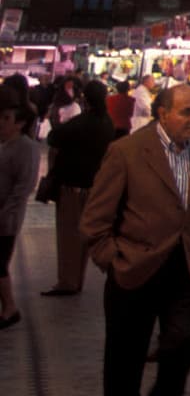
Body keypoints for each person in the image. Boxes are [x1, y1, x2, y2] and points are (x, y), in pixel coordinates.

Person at [80, 85, 190, 396]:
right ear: (162, 113)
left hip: (189, 266)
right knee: (124, 360)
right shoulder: (127, 151)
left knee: (184, 344)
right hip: (135, 268)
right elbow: (94, 220)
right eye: (186, 112)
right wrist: (113, 260)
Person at [42, 81, 117, 296]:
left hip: (72, 185)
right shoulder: (107, 123)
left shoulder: (82, 122)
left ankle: (67, 281)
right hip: (94, 186)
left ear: (85, 98)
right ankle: (77, 279)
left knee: (68, 236)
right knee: (83, 237)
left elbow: (53, 137)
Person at [0, 100, 43, 329]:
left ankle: (10, 308)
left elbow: (22, 187)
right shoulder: (6, 144)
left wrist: (6, 217)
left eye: (7, 118)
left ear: (20, 123)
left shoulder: (26, 148)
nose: (2, 123)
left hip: (6, 219)